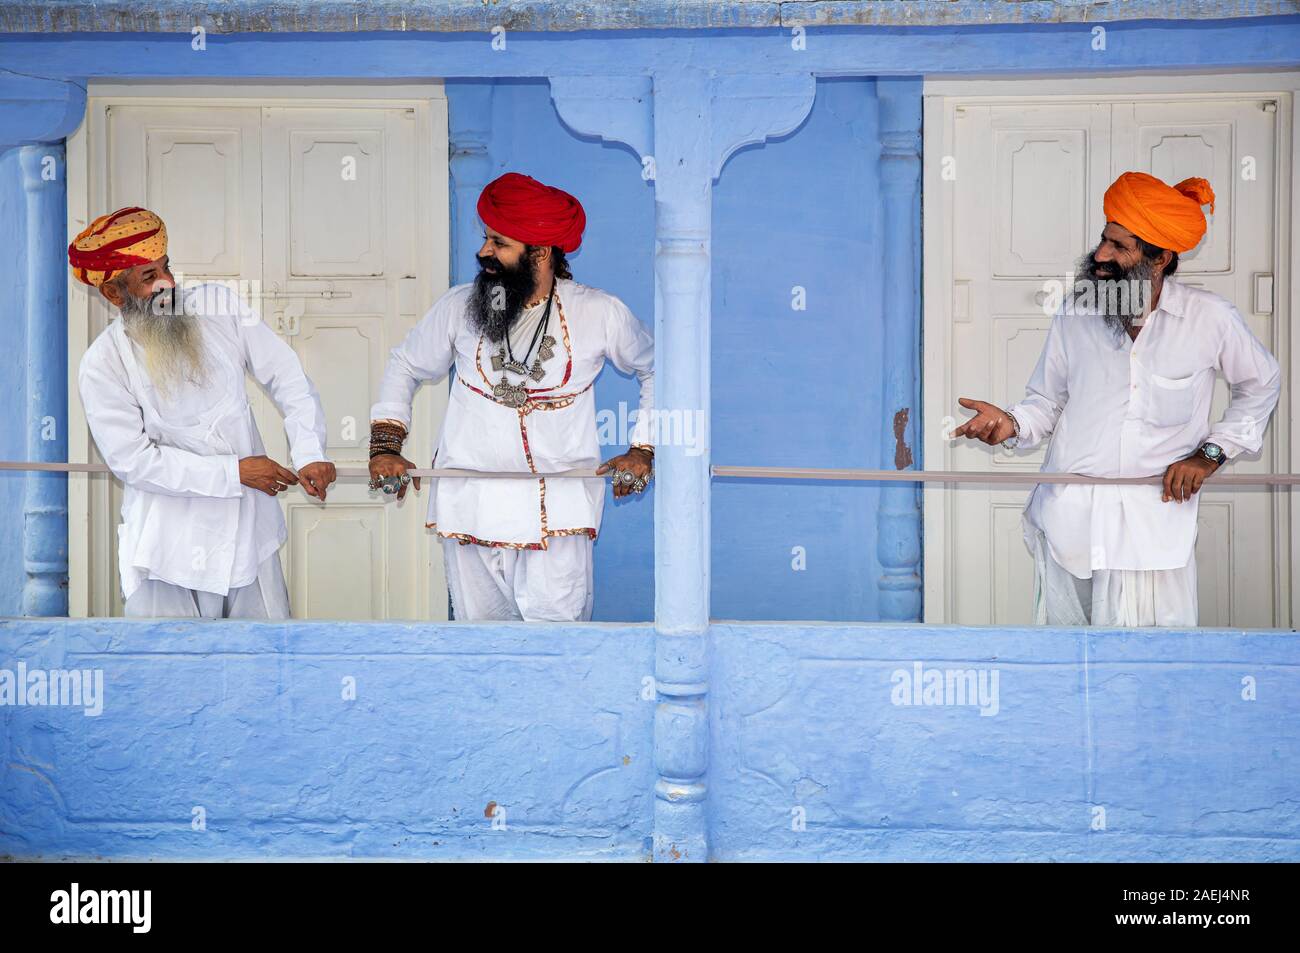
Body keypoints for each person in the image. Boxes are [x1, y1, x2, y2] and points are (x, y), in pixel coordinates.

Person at [953, 173, 1281, 626]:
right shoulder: (1077, 310)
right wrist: (1010, 423)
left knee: (1152, 671)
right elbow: (1047, 400)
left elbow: (1261, 383)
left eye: (1120, 247)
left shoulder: (1209, 319)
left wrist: (1210, 454)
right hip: (1071, 524)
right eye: (1105, 240)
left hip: (1155, 530)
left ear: (1161, 258)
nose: (1102, 256)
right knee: (1071, 668)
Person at [368, 173, 655, 622]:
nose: (485, 251)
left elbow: (656, 367)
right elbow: (405, 364)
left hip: (557, 508)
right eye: (487, 239)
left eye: (499, 243)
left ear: (540, 252)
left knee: (556, 646)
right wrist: (386, 446)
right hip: (470, 505)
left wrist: (644, 448)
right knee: (483, 650)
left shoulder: (598, 312)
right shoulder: (459, 306)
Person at [73, 207, 335, 618]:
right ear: (113, 293)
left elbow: (285, 373)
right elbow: (134, 462)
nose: (168, 283)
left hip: (248, 534)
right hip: (168, 550)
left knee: (262, 668)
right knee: (174, 672)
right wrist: (236, 472)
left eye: (166, 267)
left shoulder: (218, 305)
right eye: (149, 277)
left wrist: (309, 451)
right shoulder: (103, 364)